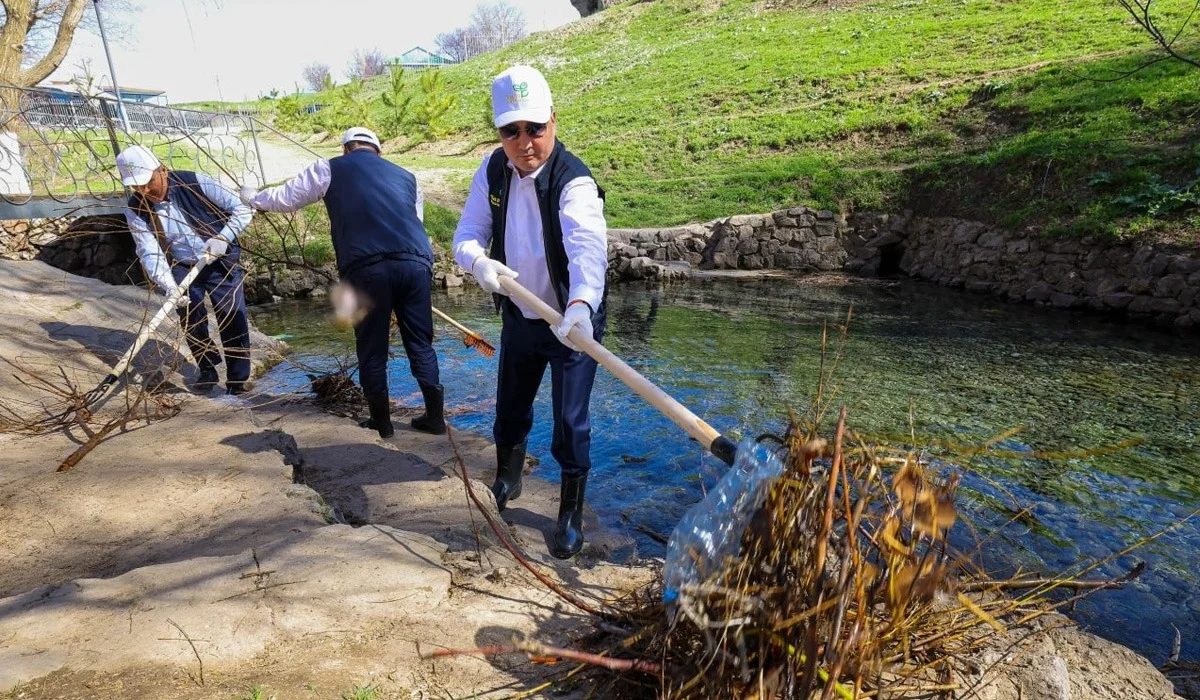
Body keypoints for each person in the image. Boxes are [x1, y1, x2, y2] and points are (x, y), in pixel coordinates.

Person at [452, 65, 608, 559]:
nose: (524, 142)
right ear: (499, 132)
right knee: (512, 404)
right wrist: (478, 262)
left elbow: (588, 251)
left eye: (534, 128)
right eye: (511, 130)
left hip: (571, 323)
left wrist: (581, 306)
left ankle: (568, 513)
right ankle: (506, 480)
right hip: (521, 314)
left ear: (553, 122)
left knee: (570, 420)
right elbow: (466, 234)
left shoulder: (574, 182)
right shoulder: (492, 170)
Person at [242, 127, 443, 439]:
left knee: (371, 348)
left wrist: (255, 199)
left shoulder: (329, 167)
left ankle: (382, 425)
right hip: (416, 265)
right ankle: (435, 420)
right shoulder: (408, 176)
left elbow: (287, 197)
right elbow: (415, 220)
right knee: (420, 343)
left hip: (365, 270)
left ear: (347, 148)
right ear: (378, 151)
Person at [117, 144, 254, 395]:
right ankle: (208, 368)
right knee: (191, 318)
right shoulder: (135, 208)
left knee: (231, 314)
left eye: (148, 183)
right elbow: (148, 250)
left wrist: (223, 238)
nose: (145, 191)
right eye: (137, 186)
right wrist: (168, 285)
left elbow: (243, 209)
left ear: (163, 170)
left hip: (220, 257)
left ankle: (237, 380)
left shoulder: (195, 183)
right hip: (182, 263)